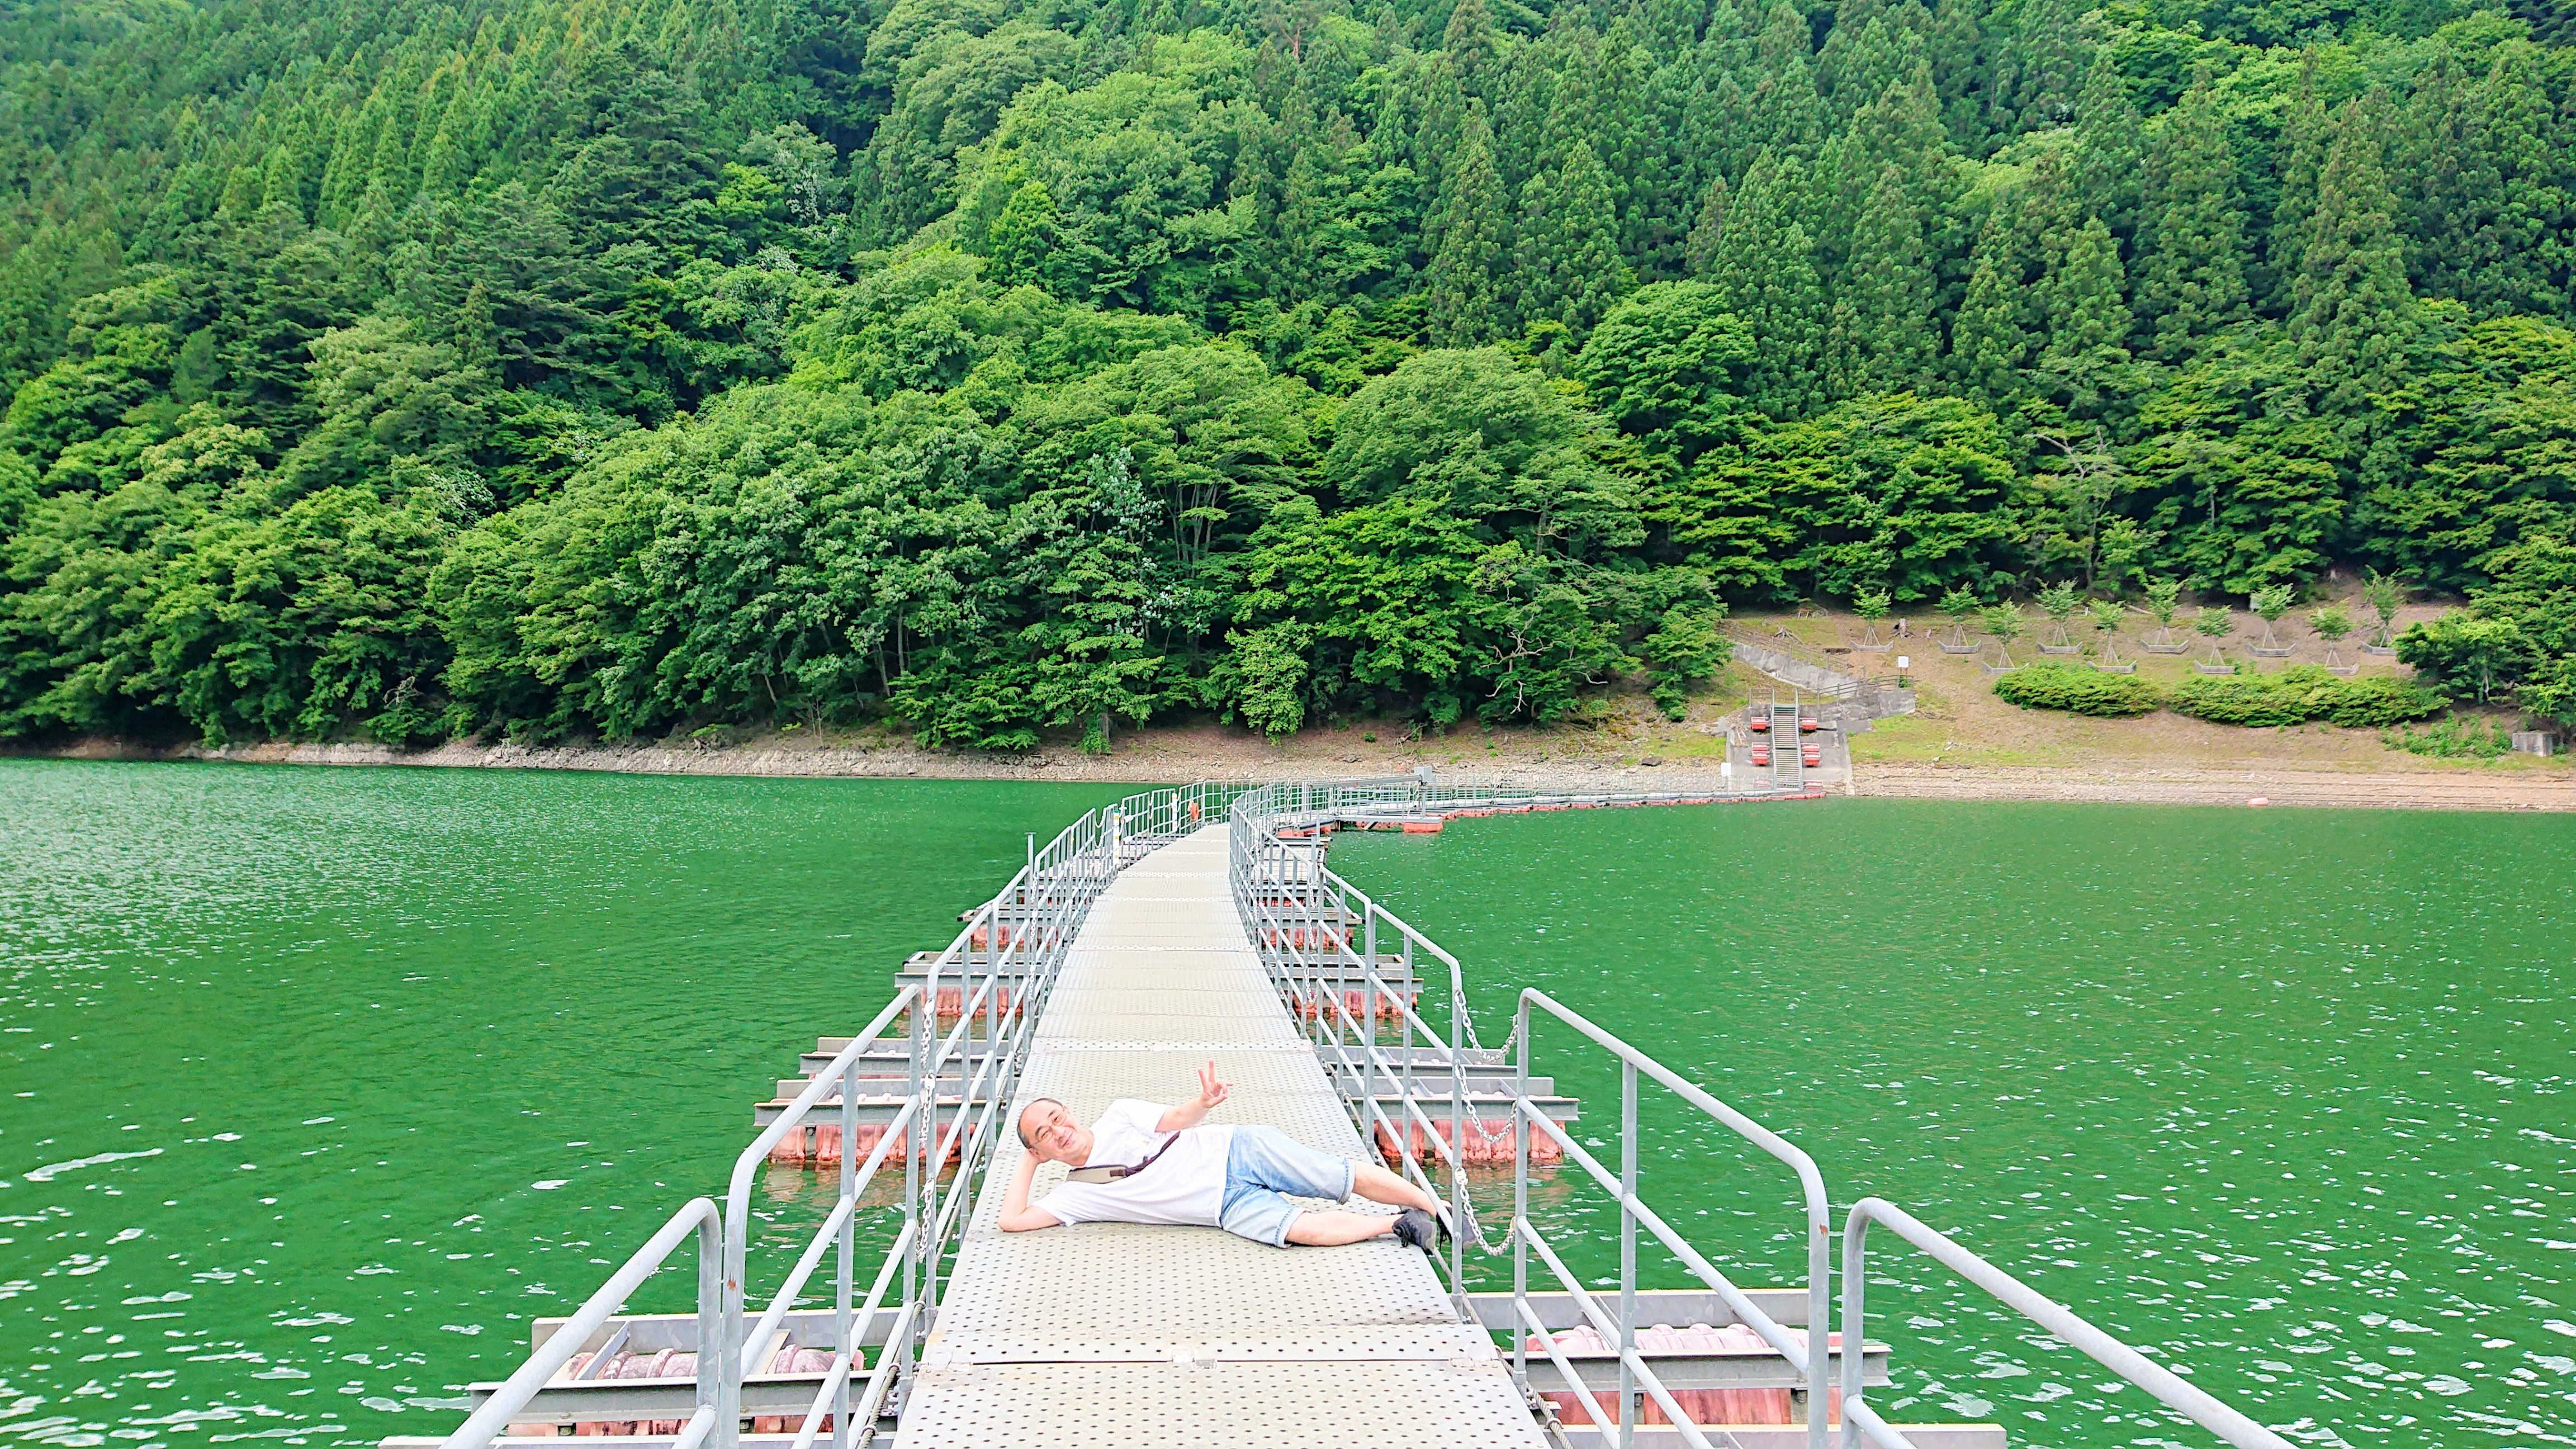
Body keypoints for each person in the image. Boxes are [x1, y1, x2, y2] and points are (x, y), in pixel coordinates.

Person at [998, 1062, 1445, 1249]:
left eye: (1058, 1118)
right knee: (1297, 1231)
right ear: (1041, 1150)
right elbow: (1011, 1221)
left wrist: (1203, 1103)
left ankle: (1436, 1209)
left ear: (1071, 1112)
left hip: (1233, 1151)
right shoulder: (1073, 1196)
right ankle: (1399, 1224)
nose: (1060, 1131)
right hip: (1221, 1207)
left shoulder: (1119, 1116)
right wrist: (1029, 1160)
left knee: (1334, 1176)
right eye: (1045, 1134)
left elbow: (1176, 1118)